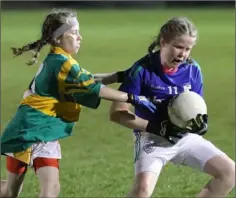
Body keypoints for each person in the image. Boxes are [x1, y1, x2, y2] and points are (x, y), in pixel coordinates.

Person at [0, 9, 157, 198]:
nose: (79, 37)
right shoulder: (62, 63)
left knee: (51, 191)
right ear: (57, 39)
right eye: (73, 33)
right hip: (28, 131)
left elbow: (89, 81)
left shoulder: (61, 59)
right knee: (10, 193)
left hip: (46, 132)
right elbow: (94, 89)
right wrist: (132, 97)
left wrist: (120, 76)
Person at [96, 17, 235, 198]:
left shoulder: (193, 70)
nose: (183, 54)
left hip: (184, 137)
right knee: (142, 190)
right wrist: (155, 127)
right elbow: (117, 113)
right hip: (151, 139)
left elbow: (196, 105)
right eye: (178, 47)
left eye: (188, 49)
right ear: (163, 42)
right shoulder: (142, 69)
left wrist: (200, 122)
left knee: (229, 173)